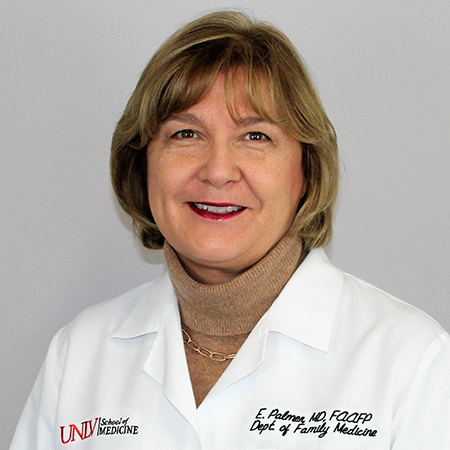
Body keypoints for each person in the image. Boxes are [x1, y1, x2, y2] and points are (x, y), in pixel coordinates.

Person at [10, 10, 450, 450]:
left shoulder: (410, 361)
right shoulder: (79, 354)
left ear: (306, 172)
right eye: (186, 134)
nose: (218, 171)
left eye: (255, 136)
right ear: (143, 166)